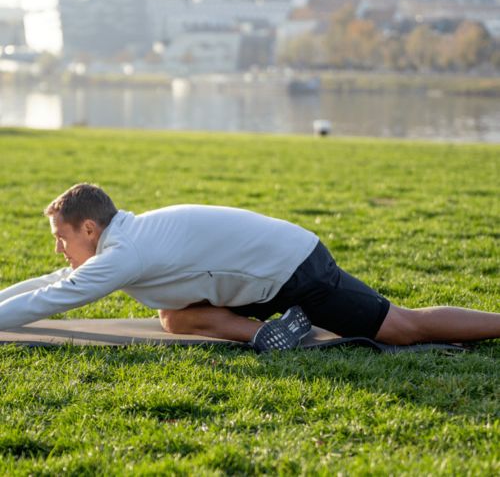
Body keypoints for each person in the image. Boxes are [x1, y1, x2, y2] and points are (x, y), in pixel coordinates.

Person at [0, 183, 499, 351]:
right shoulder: (126, 236)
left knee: (404, 327)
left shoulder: (124, 254)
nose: (60, 250)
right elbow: (54, 282)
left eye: (62, 238)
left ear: (89, 229)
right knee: (174, 317)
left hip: (292, 269)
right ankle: (267, 335)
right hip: (270, 268)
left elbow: (55, 297)